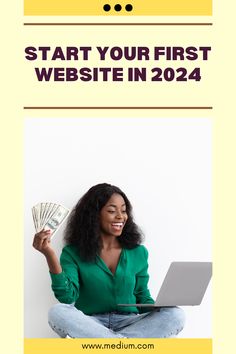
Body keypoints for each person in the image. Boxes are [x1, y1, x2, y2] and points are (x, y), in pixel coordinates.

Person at [33, 183, 185, 338]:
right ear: (94, 214)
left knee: (176, 315)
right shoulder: (73, 253)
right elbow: (67, 297)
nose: (120, 216)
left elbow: (142, 295)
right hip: (91, 323)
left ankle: (109, 344)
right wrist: (49, 254)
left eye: (124, 210)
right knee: (57, 312)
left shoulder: (138, 252)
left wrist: (158, 307)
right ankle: (124, 345)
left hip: (131, 322)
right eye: (112, 211)